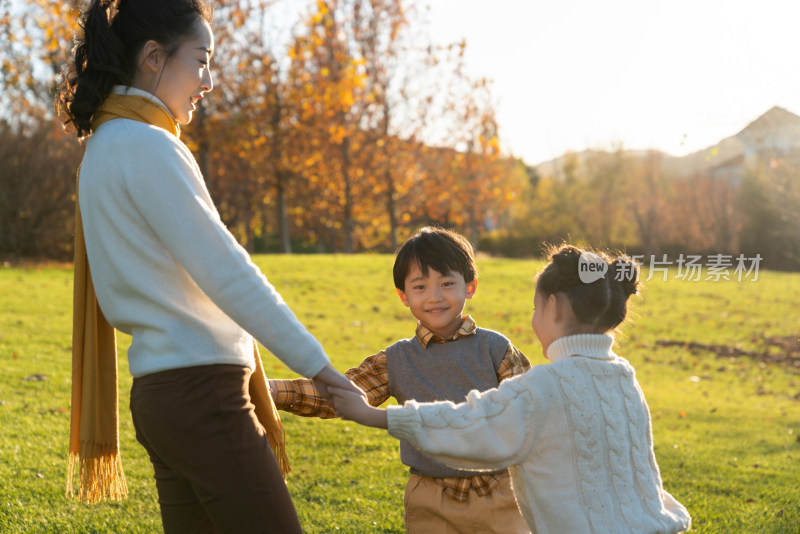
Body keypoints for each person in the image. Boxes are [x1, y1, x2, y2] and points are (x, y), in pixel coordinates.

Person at [57, 1, 358, 532]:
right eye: (200, 60)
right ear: (153, 57)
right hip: (203, 394)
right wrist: (321, 368)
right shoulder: (148, 145)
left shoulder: (104, 146)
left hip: (159, 396)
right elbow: (227, 271)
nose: (209, 80)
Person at [330, 244, 693, 534]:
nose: (534, 320)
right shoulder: (623, 376)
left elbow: (470, 424)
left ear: (552, 306)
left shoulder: (542, 387)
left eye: (536, 308)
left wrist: (377, 415)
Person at [270, 226, 532, 533]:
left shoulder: (496, 349)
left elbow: (529, 410)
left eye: (447, 283)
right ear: (403, 296)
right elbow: (341, 393)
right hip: (430, 497)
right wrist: (271, 390)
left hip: (501, 493)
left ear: (470, 286)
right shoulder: (395, 360)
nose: (435, 296)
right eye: (420, 287)